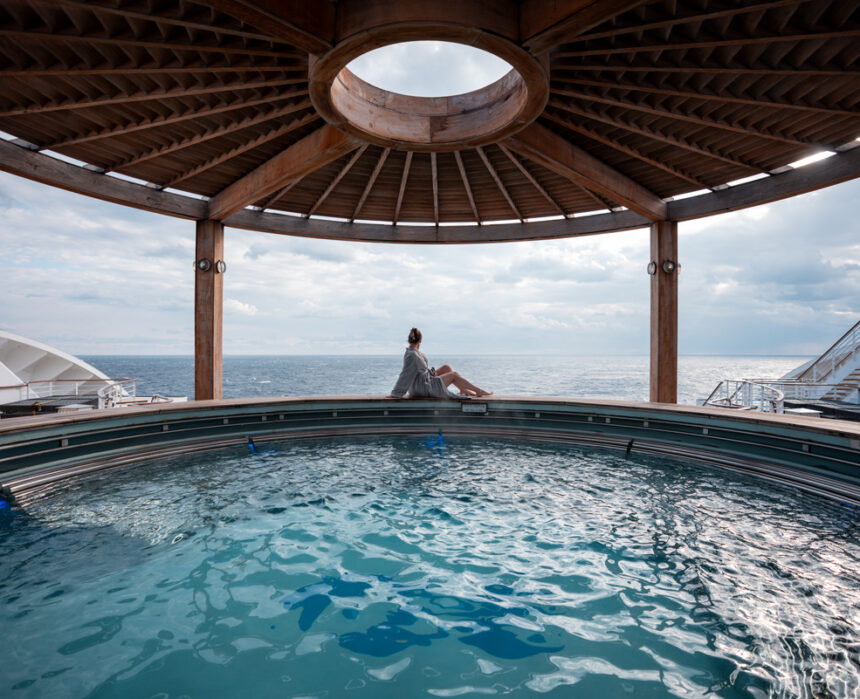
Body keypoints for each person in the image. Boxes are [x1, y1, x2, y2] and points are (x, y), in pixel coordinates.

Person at [388, 328, 492, 399]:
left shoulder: (414, 352)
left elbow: (419, 371)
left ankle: (463, 390)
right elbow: (405, 374)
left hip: (423, 382)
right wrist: (395, 393)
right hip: (422, 388)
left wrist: (431, 374)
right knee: (454, 375)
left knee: (447, 368)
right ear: (420, 340)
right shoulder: (412, 355)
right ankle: (478, 391)